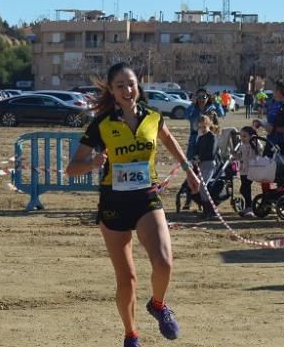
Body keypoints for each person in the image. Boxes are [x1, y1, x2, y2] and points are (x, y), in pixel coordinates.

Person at [66, 62, 199, 347]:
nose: (128, 90)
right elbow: (71, 168)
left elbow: (169, 139)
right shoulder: (101, 124)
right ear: (112, 92)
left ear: (139, 85)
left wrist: (188, 170)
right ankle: (131, 334)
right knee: (127, 279)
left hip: (146, 198)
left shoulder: (153, 117)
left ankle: (158, 305)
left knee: (164, 262)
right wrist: (93, 163)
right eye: (120, 86)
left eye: (132, 84)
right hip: (114, 203)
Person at [185, 89, 224, 159]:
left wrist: (216, 102)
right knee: (192, 159)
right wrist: (192, 104)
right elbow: (186, 115)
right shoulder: (194, 108)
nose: (201, 99)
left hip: (209, 136)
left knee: (208, 158)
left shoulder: (212, 107)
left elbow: (221, 114)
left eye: (204, 97)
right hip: (195, 136)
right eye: (198, 97)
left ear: (208, 97)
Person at [195, 114, 220, 219]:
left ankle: (211, 211)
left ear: (209, 125)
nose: (202, 129)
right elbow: (197, 150)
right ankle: (206, 211)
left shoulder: (212, 137)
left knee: (203, 186)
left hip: (209, 164)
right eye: (200, 127)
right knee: (200, 187)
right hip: (201, 164)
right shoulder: (200, 138)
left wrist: (200, 158)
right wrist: (195, 157)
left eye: (204, 127)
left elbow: (211, 153)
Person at [235, 126, 262, 218]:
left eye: (244, 136)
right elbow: (240, 157)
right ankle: (250, 205)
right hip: (243, 170)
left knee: (245, 188)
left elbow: (260, 152)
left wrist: (254, 142)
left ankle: (249, 207)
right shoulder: (241, 146)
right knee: (243, 189)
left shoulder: (255, 144)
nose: (242, 138)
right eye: (241, 136)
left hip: (252, 170)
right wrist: (235, 155)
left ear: (251, 136)